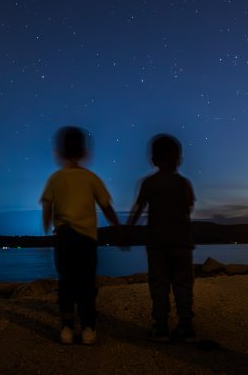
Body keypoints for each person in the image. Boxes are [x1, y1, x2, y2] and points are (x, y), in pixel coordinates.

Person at [41, 126, 122, 345]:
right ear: (85, 153)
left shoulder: (55, 178)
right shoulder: (91, 178)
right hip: (87, 239)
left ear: (59, 153)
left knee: (66, 281)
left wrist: (47, 229)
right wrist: (118, 228)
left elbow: (47, 206)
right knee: (87, 283)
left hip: (64, 237)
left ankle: (67, 327)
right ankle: (88, 327)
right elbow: (106, 206)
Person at [127, 134, 197, 342]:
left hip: (157, 243)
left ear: (154, 160)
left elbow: (139, 208)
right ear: (179, 159)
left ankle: (161, 327)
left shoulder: (149, 183)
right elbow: (189, 207)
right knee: (183, 284)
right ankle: (186, 326)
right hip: (183, 243)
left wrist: (127, 231)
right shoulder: (184, 183)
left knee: (159, 284)